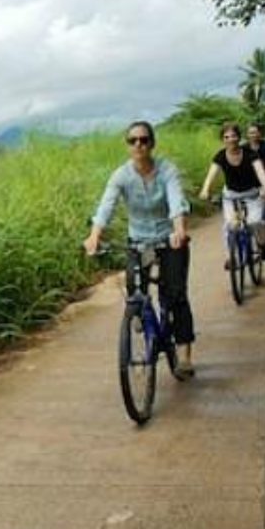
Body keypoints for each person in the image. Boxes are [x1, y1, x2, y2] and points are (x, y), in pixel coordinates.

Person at [82, 121, 195, 376]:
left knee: (176, 295)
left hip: (168, 239)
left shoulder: (167, 170)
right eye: (133, 141)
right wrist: (94, 237)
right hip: (138, 241)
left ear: (152, 143)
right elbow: (106, 206)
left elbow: (176, 201)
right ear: (128, 145)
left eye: (144, 140)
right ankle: (142, 317)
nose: (138, 145)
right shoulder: (121, 176)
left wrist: (179, 230)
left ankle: (185, 355)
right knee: (135, 293)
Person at [200, 122, 265, 265]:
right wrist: (205, 189)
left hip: (252, 194)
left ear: (239, 137)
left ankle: (263, 244)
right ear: (222, 140)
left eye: (233, 136)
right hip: (231, 195)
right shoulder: (220, 156)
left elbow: (260, 171)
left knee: (254, 222)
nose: (231, 140)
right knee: (230, 225)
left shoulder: (250, 154)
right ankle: (232, 257)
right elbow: (211, 174)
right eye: (226, 137)